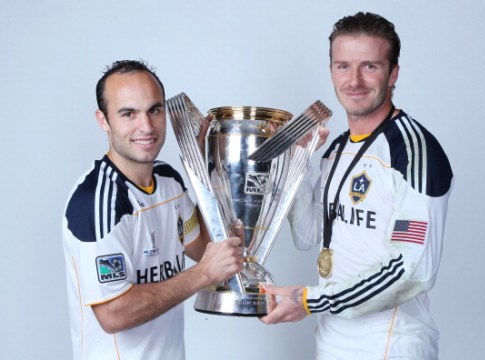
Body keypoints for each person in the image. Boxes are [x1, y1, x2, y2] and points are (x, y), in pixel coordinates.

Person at [260, 12, 454, 359]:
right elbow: (308, 235)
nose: (354, 80)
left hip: (391, 345)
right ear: (331, 70)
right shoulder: (336, 150)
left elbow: (411, 271)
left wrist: (309, 299)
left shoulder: (412, 151)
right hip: (332, 341)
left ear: (393, 73)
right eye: (343, 66)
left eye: (370, 66)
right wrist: (295, 165)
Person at [62, 60, 244, 359]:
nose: (145, 126)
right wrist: (202, 275)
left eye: (154, 110)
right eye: (128, 113)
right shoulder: (97, 202)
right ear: (103, 120)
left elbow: (208, 249)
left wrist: (208, 169)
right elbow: (114, 314)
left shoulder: (169, 181)